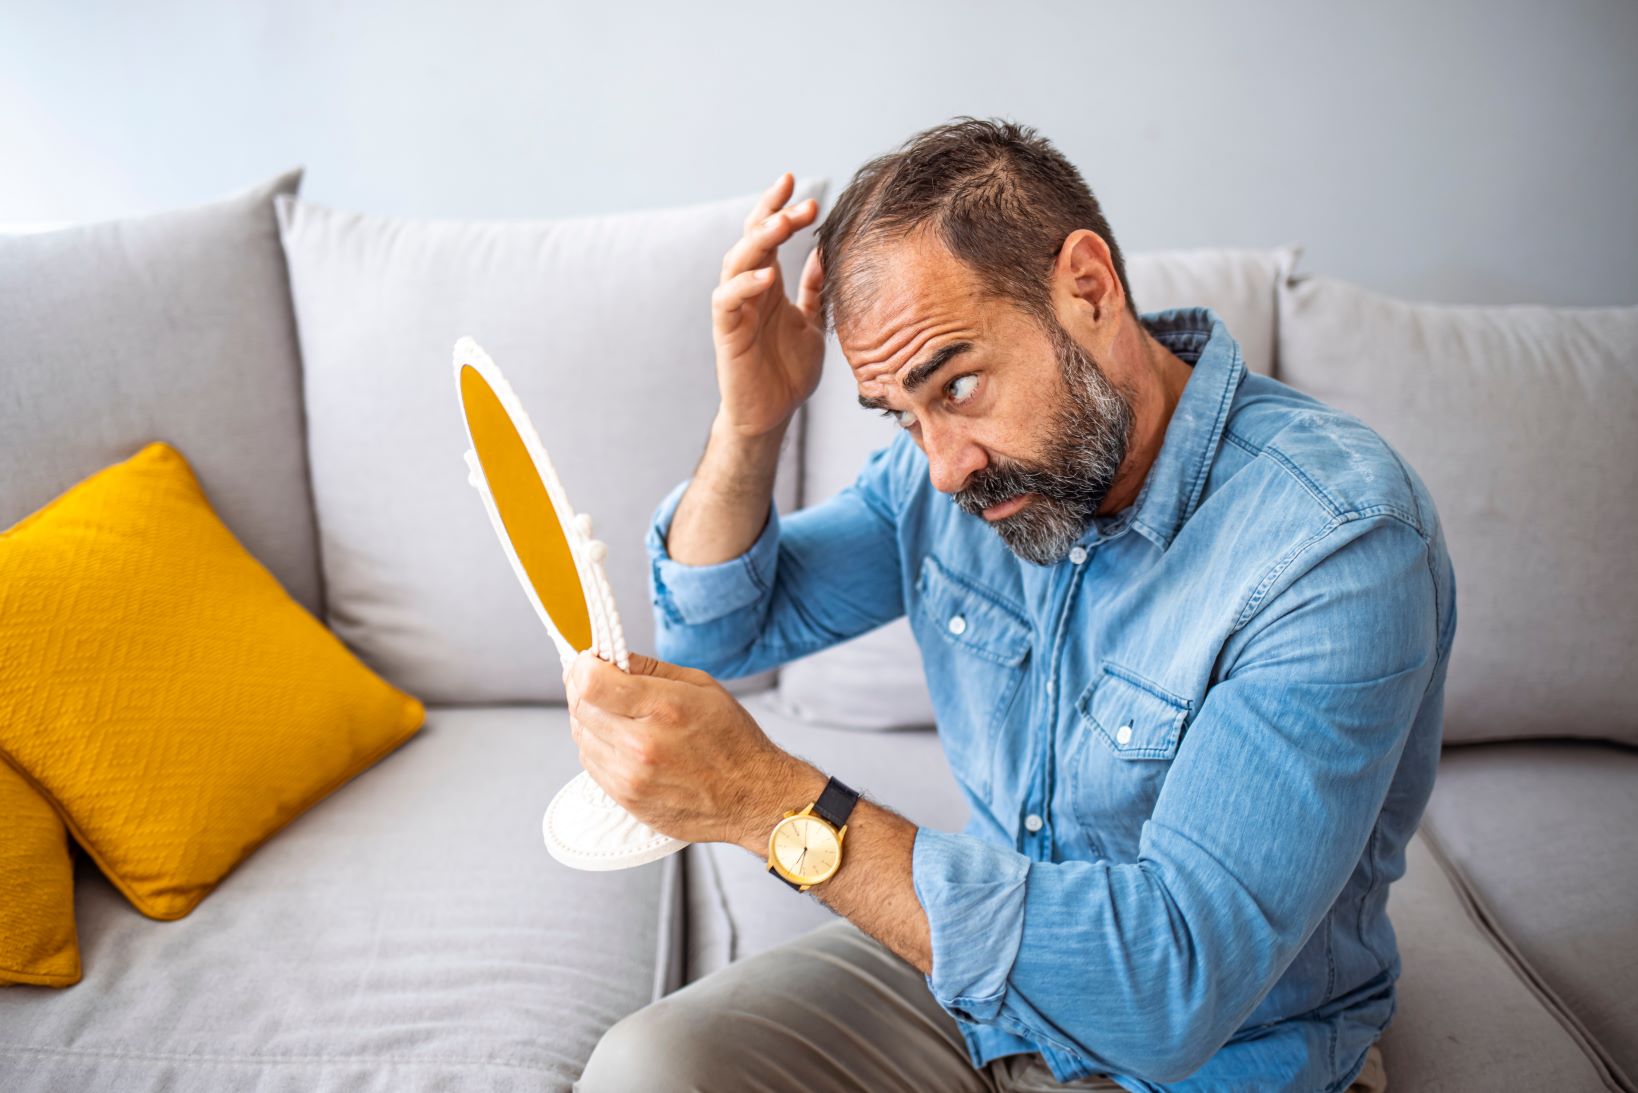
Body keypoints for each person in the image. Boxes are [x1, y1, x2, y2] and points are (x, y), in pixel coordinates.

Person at [568, 116, 1452, 1091]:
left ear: (1088, 287)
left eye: (959, 384)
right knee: (652, 1066)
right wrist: (751, 423)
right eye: (904, 417)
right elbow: (716, 630)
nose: (944, 468)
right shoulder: (956, 481)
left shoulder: (1336, 543)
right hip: (971, 982)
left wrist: (772, 800)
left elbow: (1169, 993)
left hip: (1216, 1055)